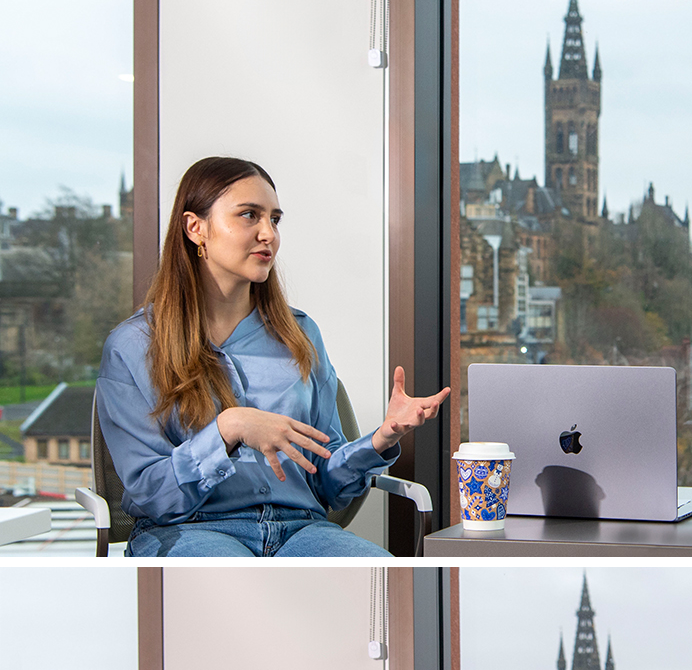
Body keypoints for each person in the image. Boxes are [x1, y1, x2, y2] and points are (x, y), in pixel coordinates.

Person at [97, 156, 449, 557]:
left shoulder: (300, 335)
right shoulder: (133, 346)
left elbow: (326, 487)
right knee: (235, 594)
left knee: (385, 583)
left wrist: (381, 438)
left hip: (301, 531)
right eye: (249, 215)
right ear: (196, 228)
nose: (269, 234)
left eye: (275, 219)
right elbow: (148, 496)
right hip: (191, 531)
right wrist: (227, 429)